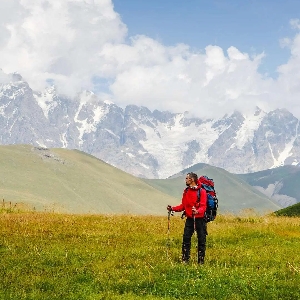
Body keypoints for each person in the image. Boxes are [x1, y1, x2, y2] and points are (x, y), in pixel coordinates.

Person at [167, 172, 207, 264]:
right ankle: (185, 260)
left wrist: (197, 211)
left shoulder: (202, 192)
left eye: (187, 178)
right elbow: (183, 206)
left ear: (192, 179)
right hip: (189, 219)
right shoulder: (186, 191)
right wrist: (172, 208)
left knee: (201, 240)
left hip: (200, 220)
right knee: (186, 239)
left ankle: (201, 262)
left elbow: (203, 206)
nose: (185, 180)